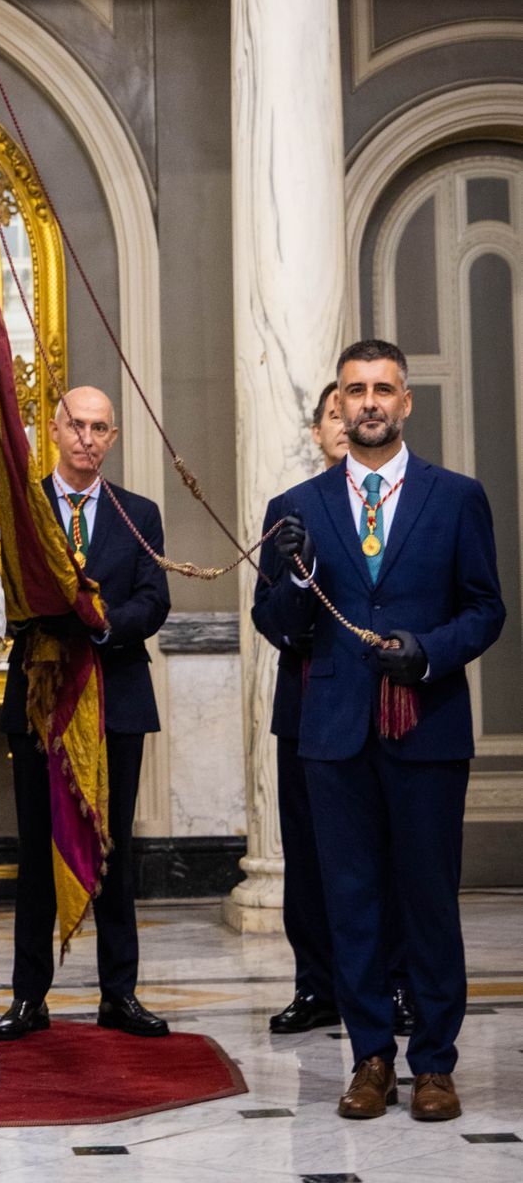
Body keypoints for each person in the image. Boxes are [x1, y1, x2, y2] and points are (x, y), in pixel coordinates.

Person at [254, 340, 505, 1123]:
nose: (368, 402)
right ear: (339, 403)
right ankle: (369, 1060)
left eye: (383, 389)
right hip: (333, 734)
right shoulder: (296, 506)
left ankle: (433, 1063)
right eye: (355, 390)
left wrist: (428, 653)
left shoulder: (456, 497)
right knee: (351, 903)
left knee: (428, 901)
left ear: (405, 403)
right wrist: (293, 579)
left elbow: (485, 608)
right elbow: (278, 625)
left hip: (426, 729)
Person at [0, 386, 171, 1043]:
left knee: (113, 850)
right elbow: (3, 594)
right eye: (77, 425)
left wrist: (103, 625)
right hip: (40, 700)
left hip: (116, 701)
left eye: (100, 428)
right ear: (54, 429)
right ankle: (28, 997)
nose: (87, 438)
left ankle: (118, 993)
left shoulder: (139, 514)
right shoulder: (22, 510)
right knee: (37, 854)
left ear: (113, 438)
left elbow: (154, 602)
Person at [265, 384, 413, 1039]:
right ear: (322, 430)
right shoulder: (291, 512)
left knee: (394, 855)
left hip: (393, 702)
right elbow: (268, 616)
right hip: (308, 708)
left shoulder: (408, 505)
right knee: (310, 855)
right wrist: (299, 574)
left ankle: (398, 982)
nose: (345, 420)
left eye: (349, 409)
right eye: (332, 413)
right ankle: (316, 983)